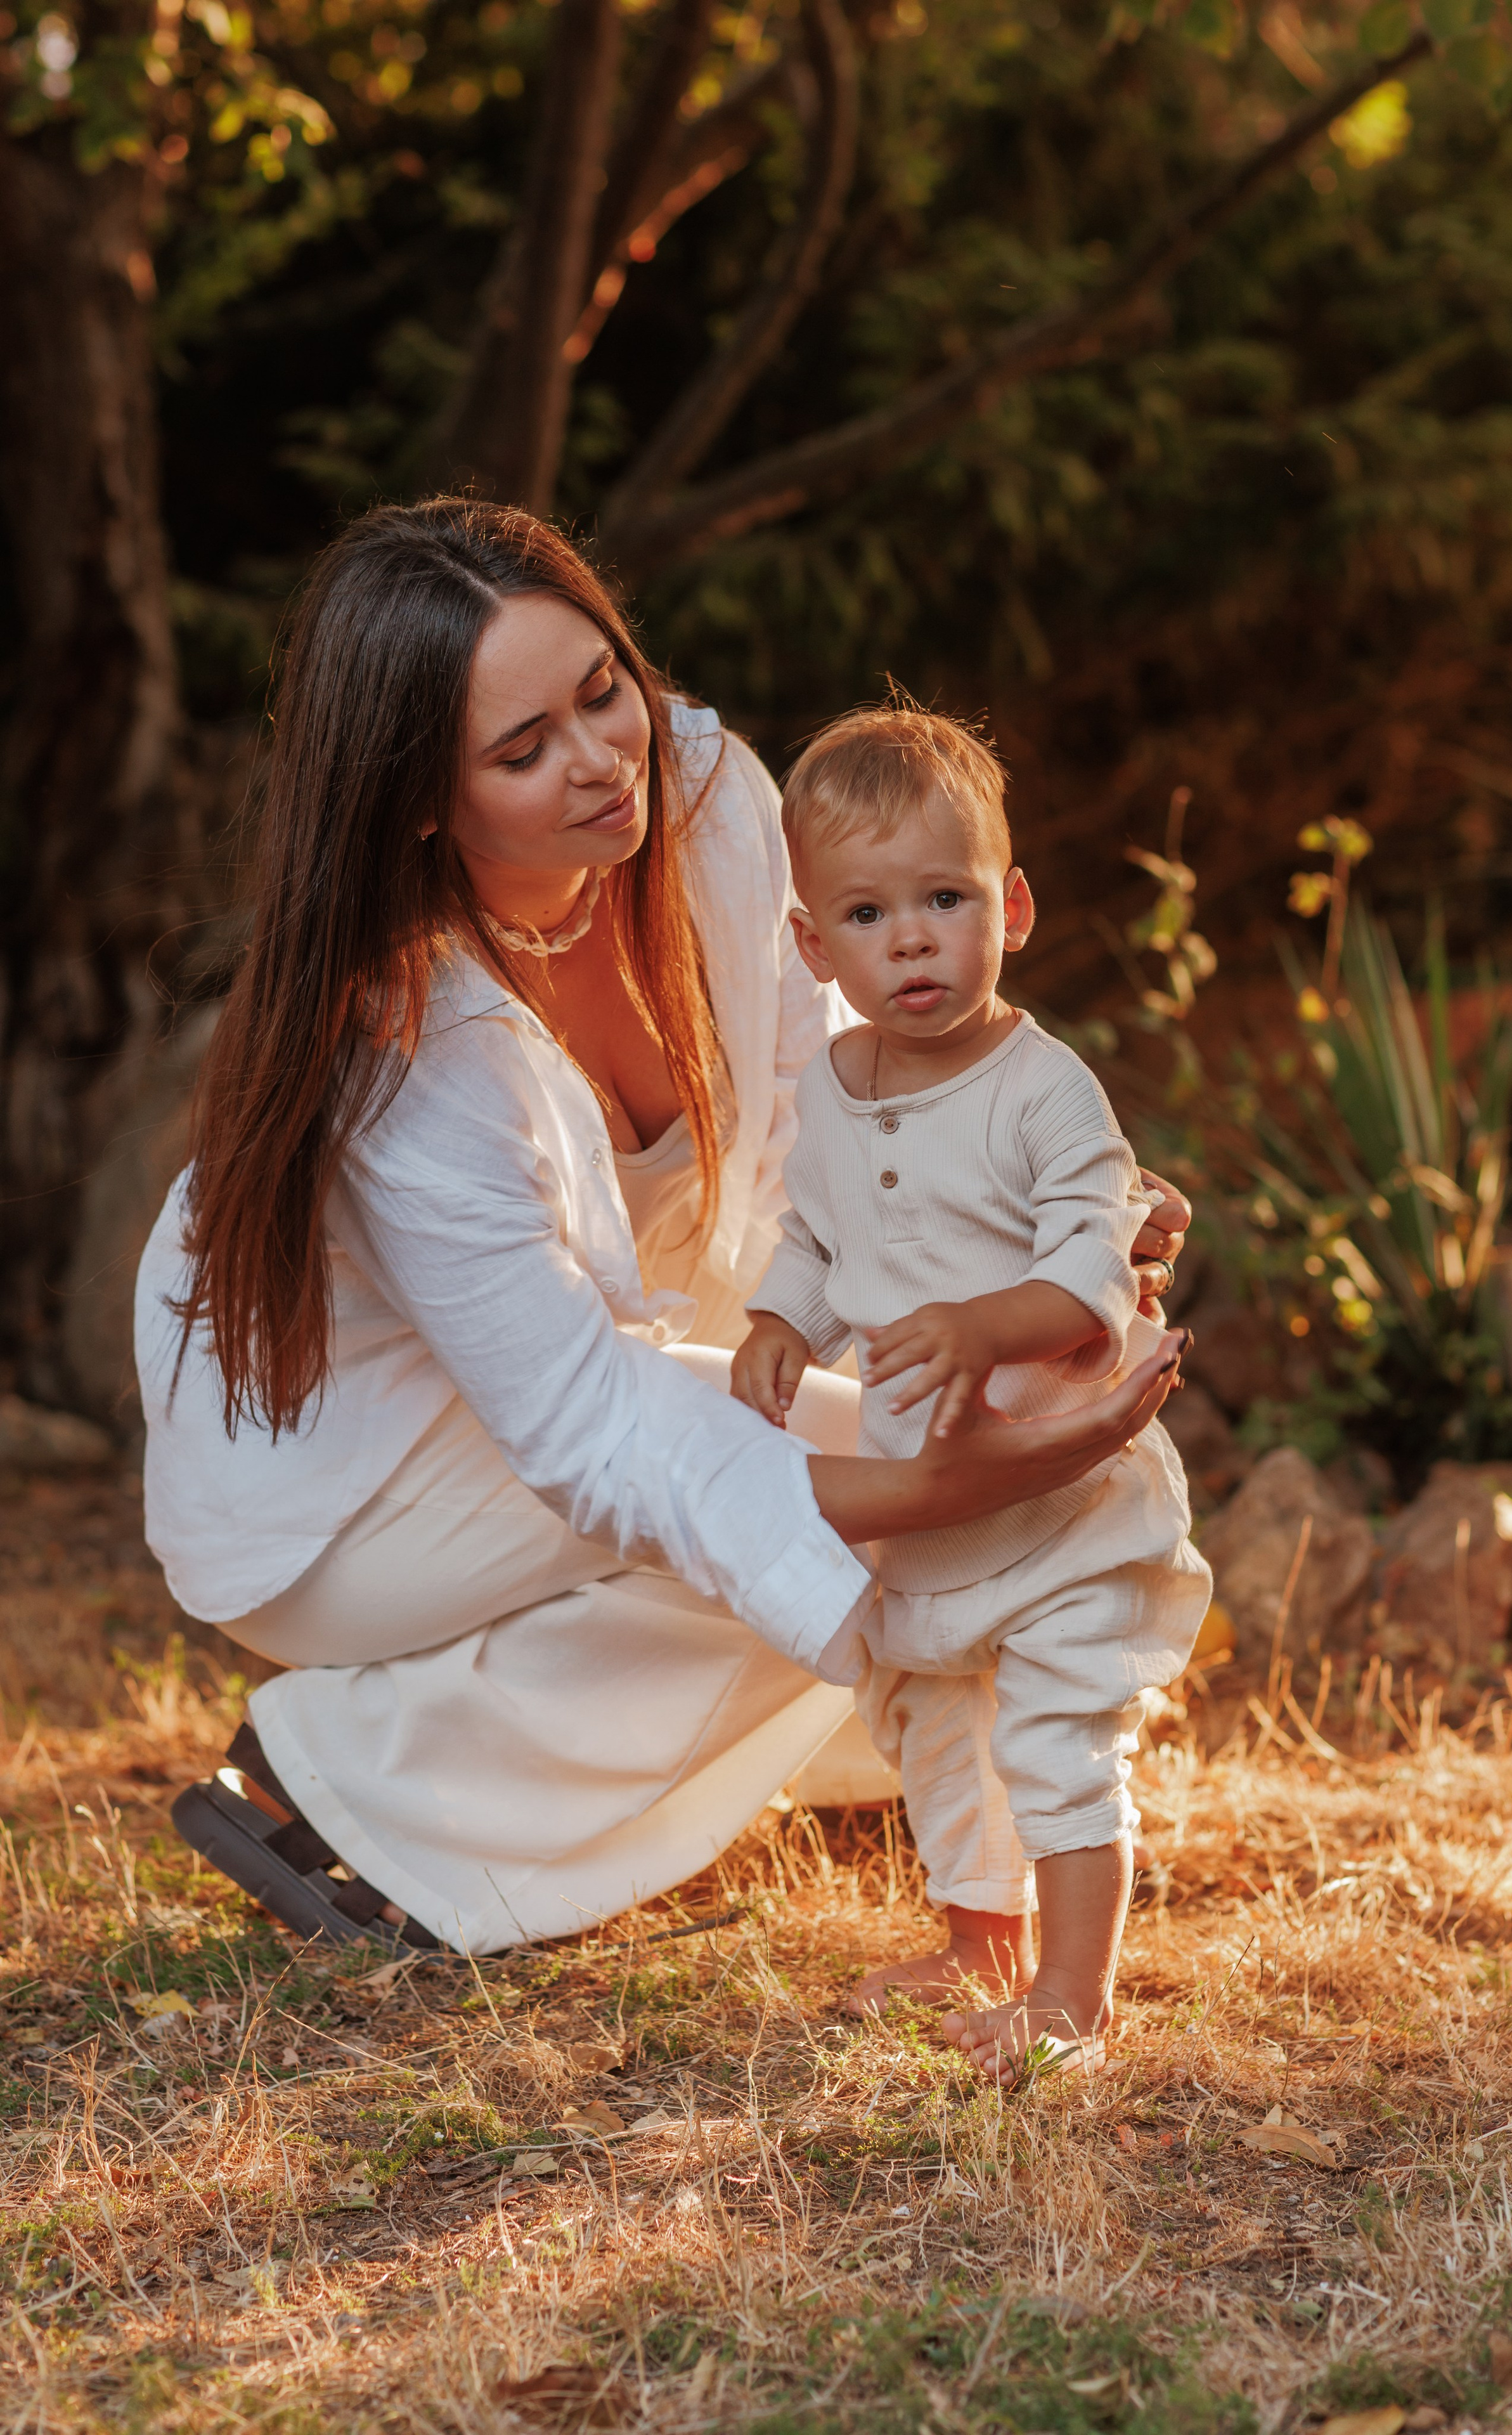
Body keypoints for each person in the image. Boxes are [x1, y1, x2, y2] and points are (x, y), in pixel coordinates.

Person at [136, 497, 1191, 1958]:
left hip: (618, 1363)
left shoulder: (705, 796)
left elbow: (853, 1104)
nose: (599, 761)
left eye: (600, 691)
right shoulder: (409, 1041)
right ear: (419, 799)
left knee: (965, 1412)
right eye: (523, 752)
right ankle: (345, 1796)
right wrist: (950, 1480)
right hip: (348, 1488)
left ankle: (888, 1764)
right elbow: (596, 1434)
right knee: (888, 1490)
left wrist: (1051, 1228)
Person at [731, 705, 1210, 2079]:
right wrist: (780, 1318)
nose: (912, 940)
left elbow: (1094, 1267)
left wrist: (971, 1321)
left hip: (1058, 1485)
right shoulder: (830, 1084)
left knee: (1055, 1736)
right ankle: (975, 1937)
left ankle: (1071, 1993)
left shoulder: (1043, 1092)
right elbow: (826, 1238)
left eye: (942, 900)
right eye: (868, 915)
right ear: (818, 949)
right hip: (927, 1496)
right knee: (929, 1721)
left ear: (1008, 906)